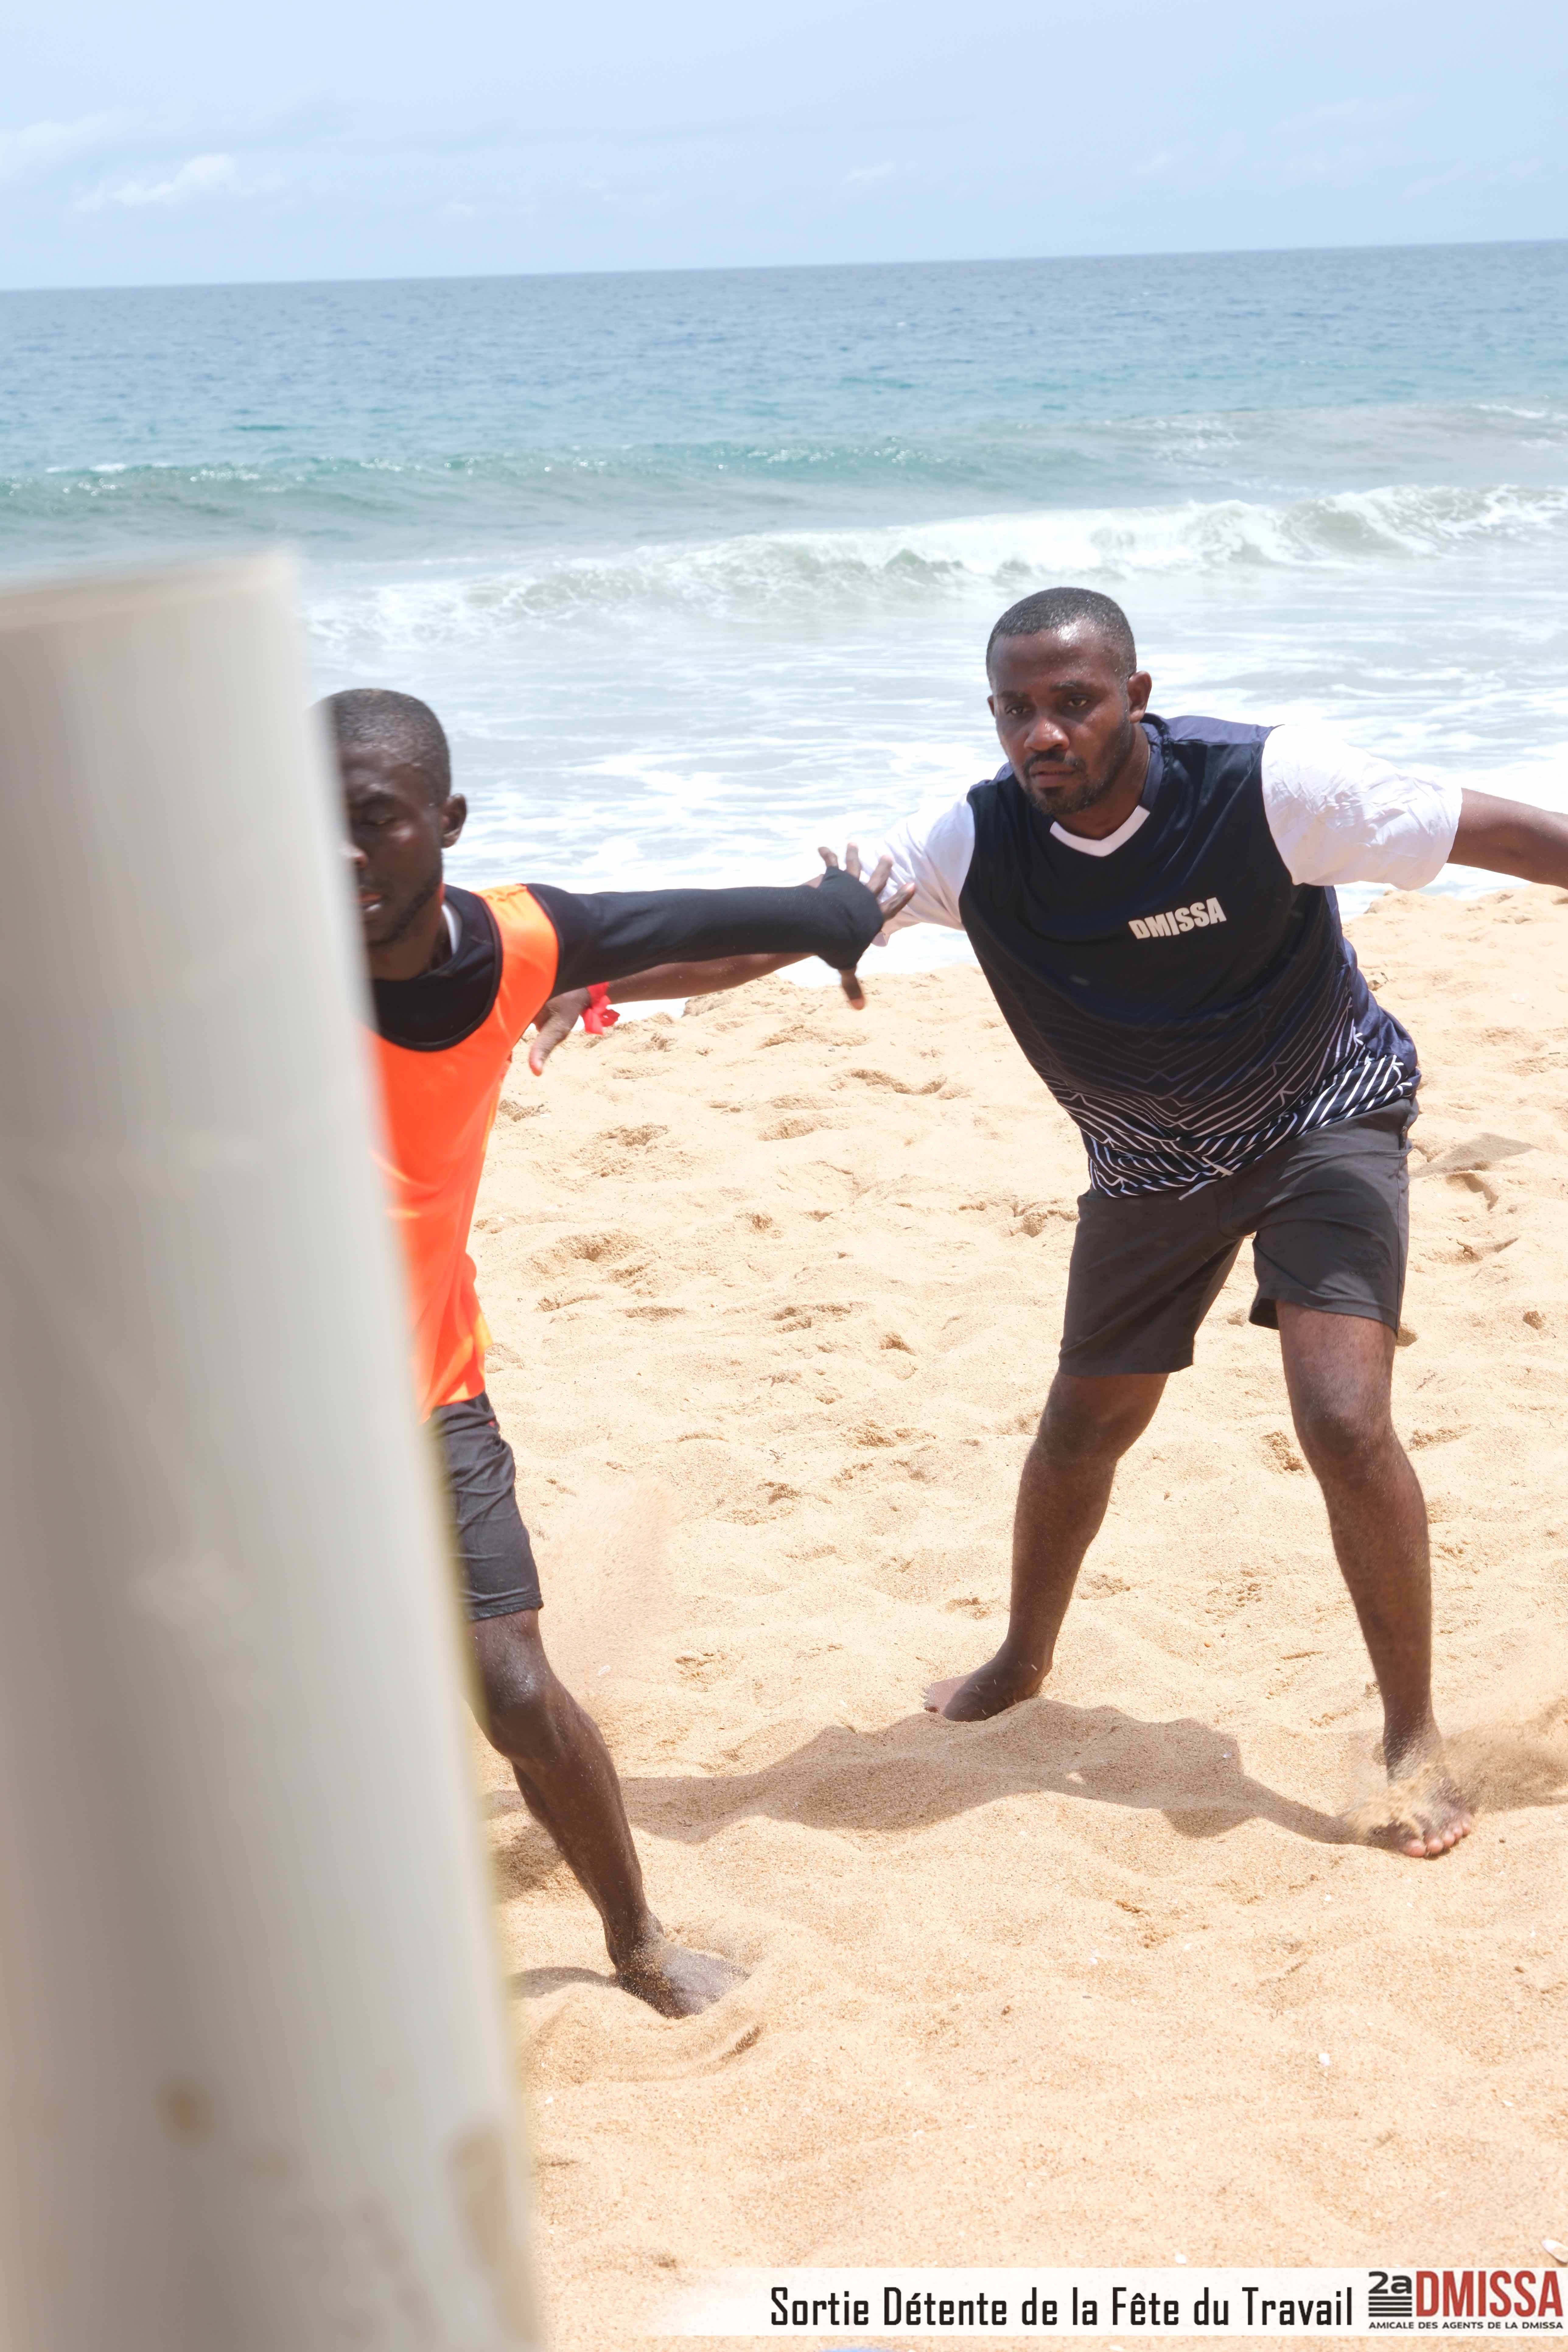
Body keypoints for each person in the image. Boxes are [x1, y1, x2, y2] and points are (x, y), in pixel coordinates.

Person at [830, 584, 1568, 1860]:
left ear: (1136, 696)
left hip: (1324, 1113)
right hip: (1148, 1164)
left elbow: (1488, 830)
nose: (1043, 734)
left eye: (1074, 702)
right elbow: (794, 921)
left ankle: (1411, 1741)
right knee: (1083, 1428)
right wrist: (594, 977)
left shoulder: (1266, 786)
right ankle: (1020, 1656)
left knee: (1342, 1419)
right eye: (1015, 710)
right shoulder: (971, 841)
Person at [329, 686, 909, 2011]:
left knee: (515, 1692)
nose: (340, 854)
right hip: (247, 1419)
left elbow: (687, 927)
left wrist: (831, 914)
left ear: (446, 823)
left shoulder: (521, 945)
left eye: (373, 819)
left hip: (426, 1390)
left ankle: (638, 1944)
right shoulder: (244, 971)